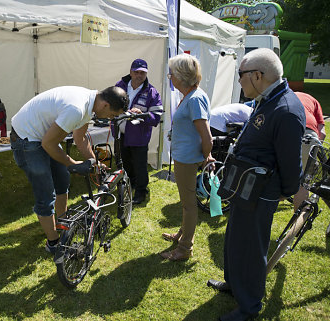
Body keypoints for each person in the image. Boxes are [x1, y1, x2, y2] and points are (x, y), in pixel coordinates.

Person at [207, 48, 305, 321]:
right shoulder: (268, 99)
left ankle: (249, 307)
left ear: (258, 75)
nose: (239, 82)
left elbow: (290, 163)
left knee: (251, 248)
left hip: (261, 192)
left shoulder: (285, 109)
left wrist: (284, 192)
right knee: (236, 240)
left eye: (241, 75)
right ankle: (234, 284)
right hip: (246, 185)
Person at [10, 86, 129, 254]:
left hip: (44, 136)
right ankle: (53, 243)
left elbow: (79, 138)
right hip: (26, 137)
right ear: (106, 105)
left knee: (62, 181)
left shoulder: (91, 103)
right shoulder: (77, 108)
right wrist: (72, 163)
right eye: (112, 115)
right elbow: (48, 144)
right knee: (45, 193)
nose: (111, 119)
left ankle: (63, 224)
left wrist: (92, 161)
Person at [160, 53, 214, 261]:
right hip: (185, 157)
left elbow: (207, 136)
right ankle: (182, 235)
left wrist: (205, 157)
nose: (169, 76)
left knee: (189, 204)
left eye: (171, 73)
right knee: (187, 202)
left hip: (188, 159)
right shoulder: (191, 96)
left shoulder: (195, 98)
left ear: (181, 76)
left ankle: (184, 248)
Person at [114, 58, 163, 204]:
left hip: (139, 136)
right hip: (120, 133)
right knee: (125, 162)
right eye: (136, 72)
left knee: (140, 165)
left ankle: (141, 192)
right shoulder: (120, 85)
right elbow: (111, 103)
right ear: (131, 72)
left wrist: (141, 114)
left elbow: (156, 116)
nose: (139, 75)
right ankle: (130, 185)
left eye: (143, 72)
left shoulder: (152, 92)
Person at [293, 91, 326, 211]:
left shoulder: (284, 96)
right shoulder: (314, 101)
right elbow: (322, 133)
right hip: (307, 133)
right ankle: (296, 226)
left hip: (282, 130)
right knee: (303, 184)